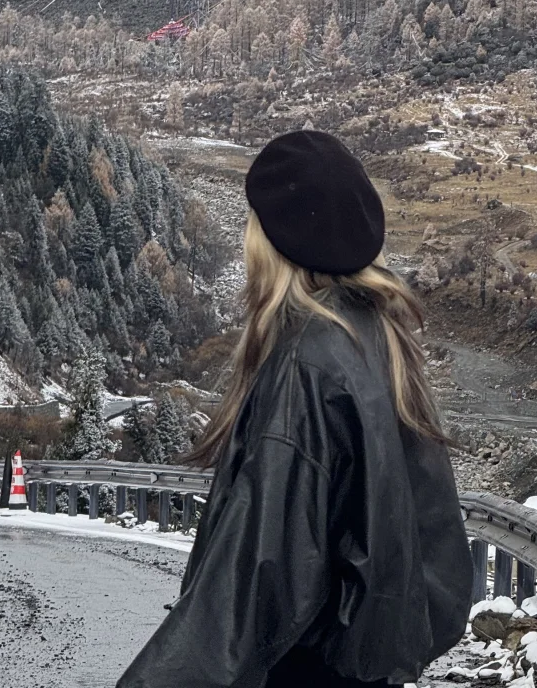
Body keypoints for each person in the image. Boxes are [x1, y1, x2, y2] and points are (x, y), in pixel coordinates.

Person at [118, 129, 473, 688]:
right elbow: (433, 549)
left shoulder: (307, 363)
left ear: (275, 239)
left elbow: (260, 571)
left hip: (305, 669)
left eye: (253, 223)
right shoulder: (381, 338)